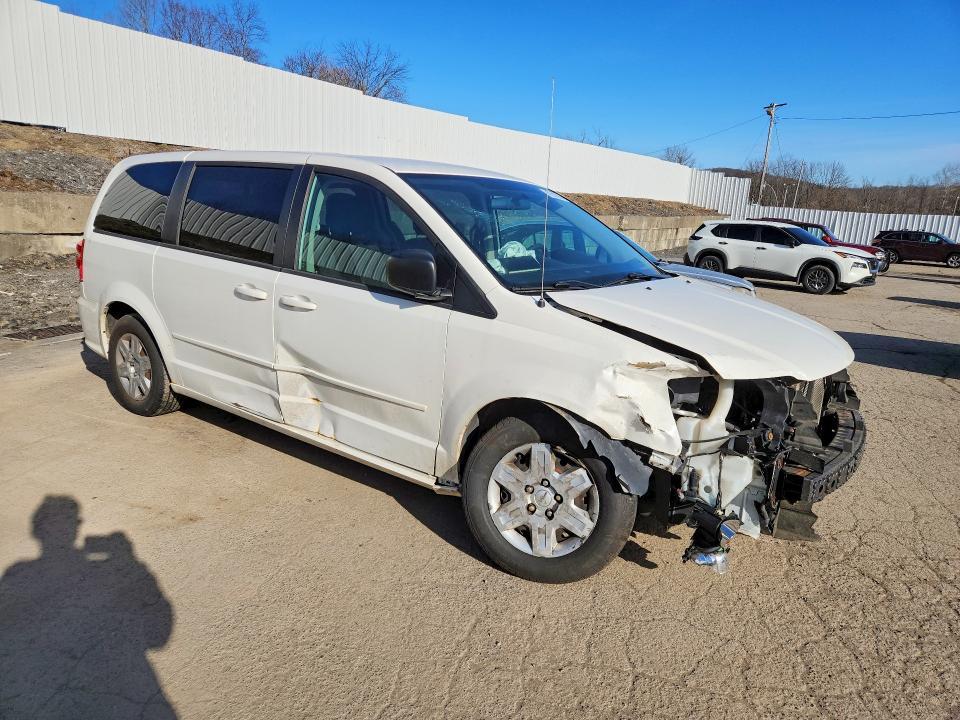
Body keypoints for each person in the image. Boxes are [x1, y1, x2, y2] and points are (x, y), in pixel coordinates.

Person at [0, 495, 176, 719]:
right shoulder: (22, 576)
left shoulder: (22, 575)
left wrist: (132, 566)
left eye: (69, 521)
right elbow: (158, 635)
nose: (64, 528)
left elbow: (158, 633)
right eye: (58, 521)